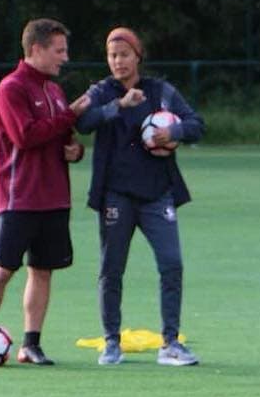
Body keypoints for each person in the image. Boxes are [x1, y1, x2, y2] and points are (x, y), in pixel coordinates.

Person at [0, 17, 90, 367]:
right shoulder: (11, 88)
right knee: (2, 268)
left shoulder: (54, 90)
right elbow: (24, 136)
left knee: (43, 270)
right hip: (20, 198)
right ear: (36, 49)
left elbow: (60, 137)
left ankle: (32, 344)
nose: (65, 57)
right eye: (59, 50)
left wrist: (74, 150)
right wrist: (70, 115)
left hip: (55, 197)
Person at [76, 26, 205, 366]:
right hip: (116, 196)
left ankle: (171, 343)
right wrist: (117, 105)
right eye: (112, 55)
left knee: (172, 264)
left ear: (138, 57)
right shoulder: (102, 91)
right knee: (111, 269)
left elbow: (196, 124)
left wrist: (172, 131)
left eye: (124, 55)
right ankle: (112, 342)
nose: (118, 61)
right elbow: (83, 122)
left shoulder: (161, 92)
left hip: (157, 196)